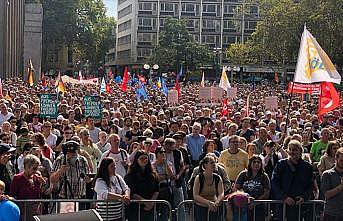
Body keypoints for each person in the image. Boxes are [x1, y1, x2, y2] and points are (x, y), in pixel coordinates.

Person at [271, 140, 314, 220]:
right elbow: (274, 182)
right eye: (290, 149)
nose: (291, 152)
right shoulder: (281, 164)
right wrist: (284, 197)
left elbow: (310, 185)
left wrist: (303, 197)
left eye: (294, 149)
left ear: (300, 151)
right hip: (283, 205)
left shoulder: (307, 167)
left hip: (299, 206)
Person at [124, 150, 159, 221]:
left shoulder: (153, 174)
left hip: (150, 208)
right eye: (142, 158)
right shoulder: (130, 175)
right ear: (137, 160)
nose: (144, 160)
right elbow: (132, 192)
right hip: (135, 209)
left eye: (146, 158)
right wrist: (145, 202)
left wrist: (151, 202)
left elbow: (156, 190)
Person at [234, 155, 270, 221]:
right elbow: (236, 189)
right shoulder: (243, 174)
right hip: (243, 206)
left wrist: (255, 202)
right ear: (250, 163)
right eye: (254, 162)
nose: (256, 164)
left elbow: (266, 193)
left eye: (258, 162)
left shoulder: (264, 176)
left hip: (259, 207)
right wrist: (245, 197)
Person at [11, 154, 46, 221]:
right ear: (27, 166)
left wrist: (43, 183)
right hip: (22, 212)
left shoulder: (36, 177)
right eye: (34, 168)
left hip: (36, 211)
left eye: (37, 168)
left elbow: (40, 193)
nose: (36, 171)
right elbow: (13, 195)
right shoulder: (17, 178)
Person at [193, 155, 224, 221]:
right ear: (205, 165)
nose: (214, 164)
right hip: (201, 208)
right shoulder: (199, 178)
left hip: (214, 208)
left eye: (215, 162)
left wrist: (217, 202)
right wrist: (208, 203)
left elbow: (221, 193)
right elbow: (195, 195)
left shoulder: (218, 178)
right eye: (212, 163)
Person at [321, 147, 343, 221]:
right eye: (341, 160)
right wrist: (341, 187)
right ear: (336, 159)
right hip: (331, 214)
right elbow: (326, 194)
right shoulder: (327, 174)